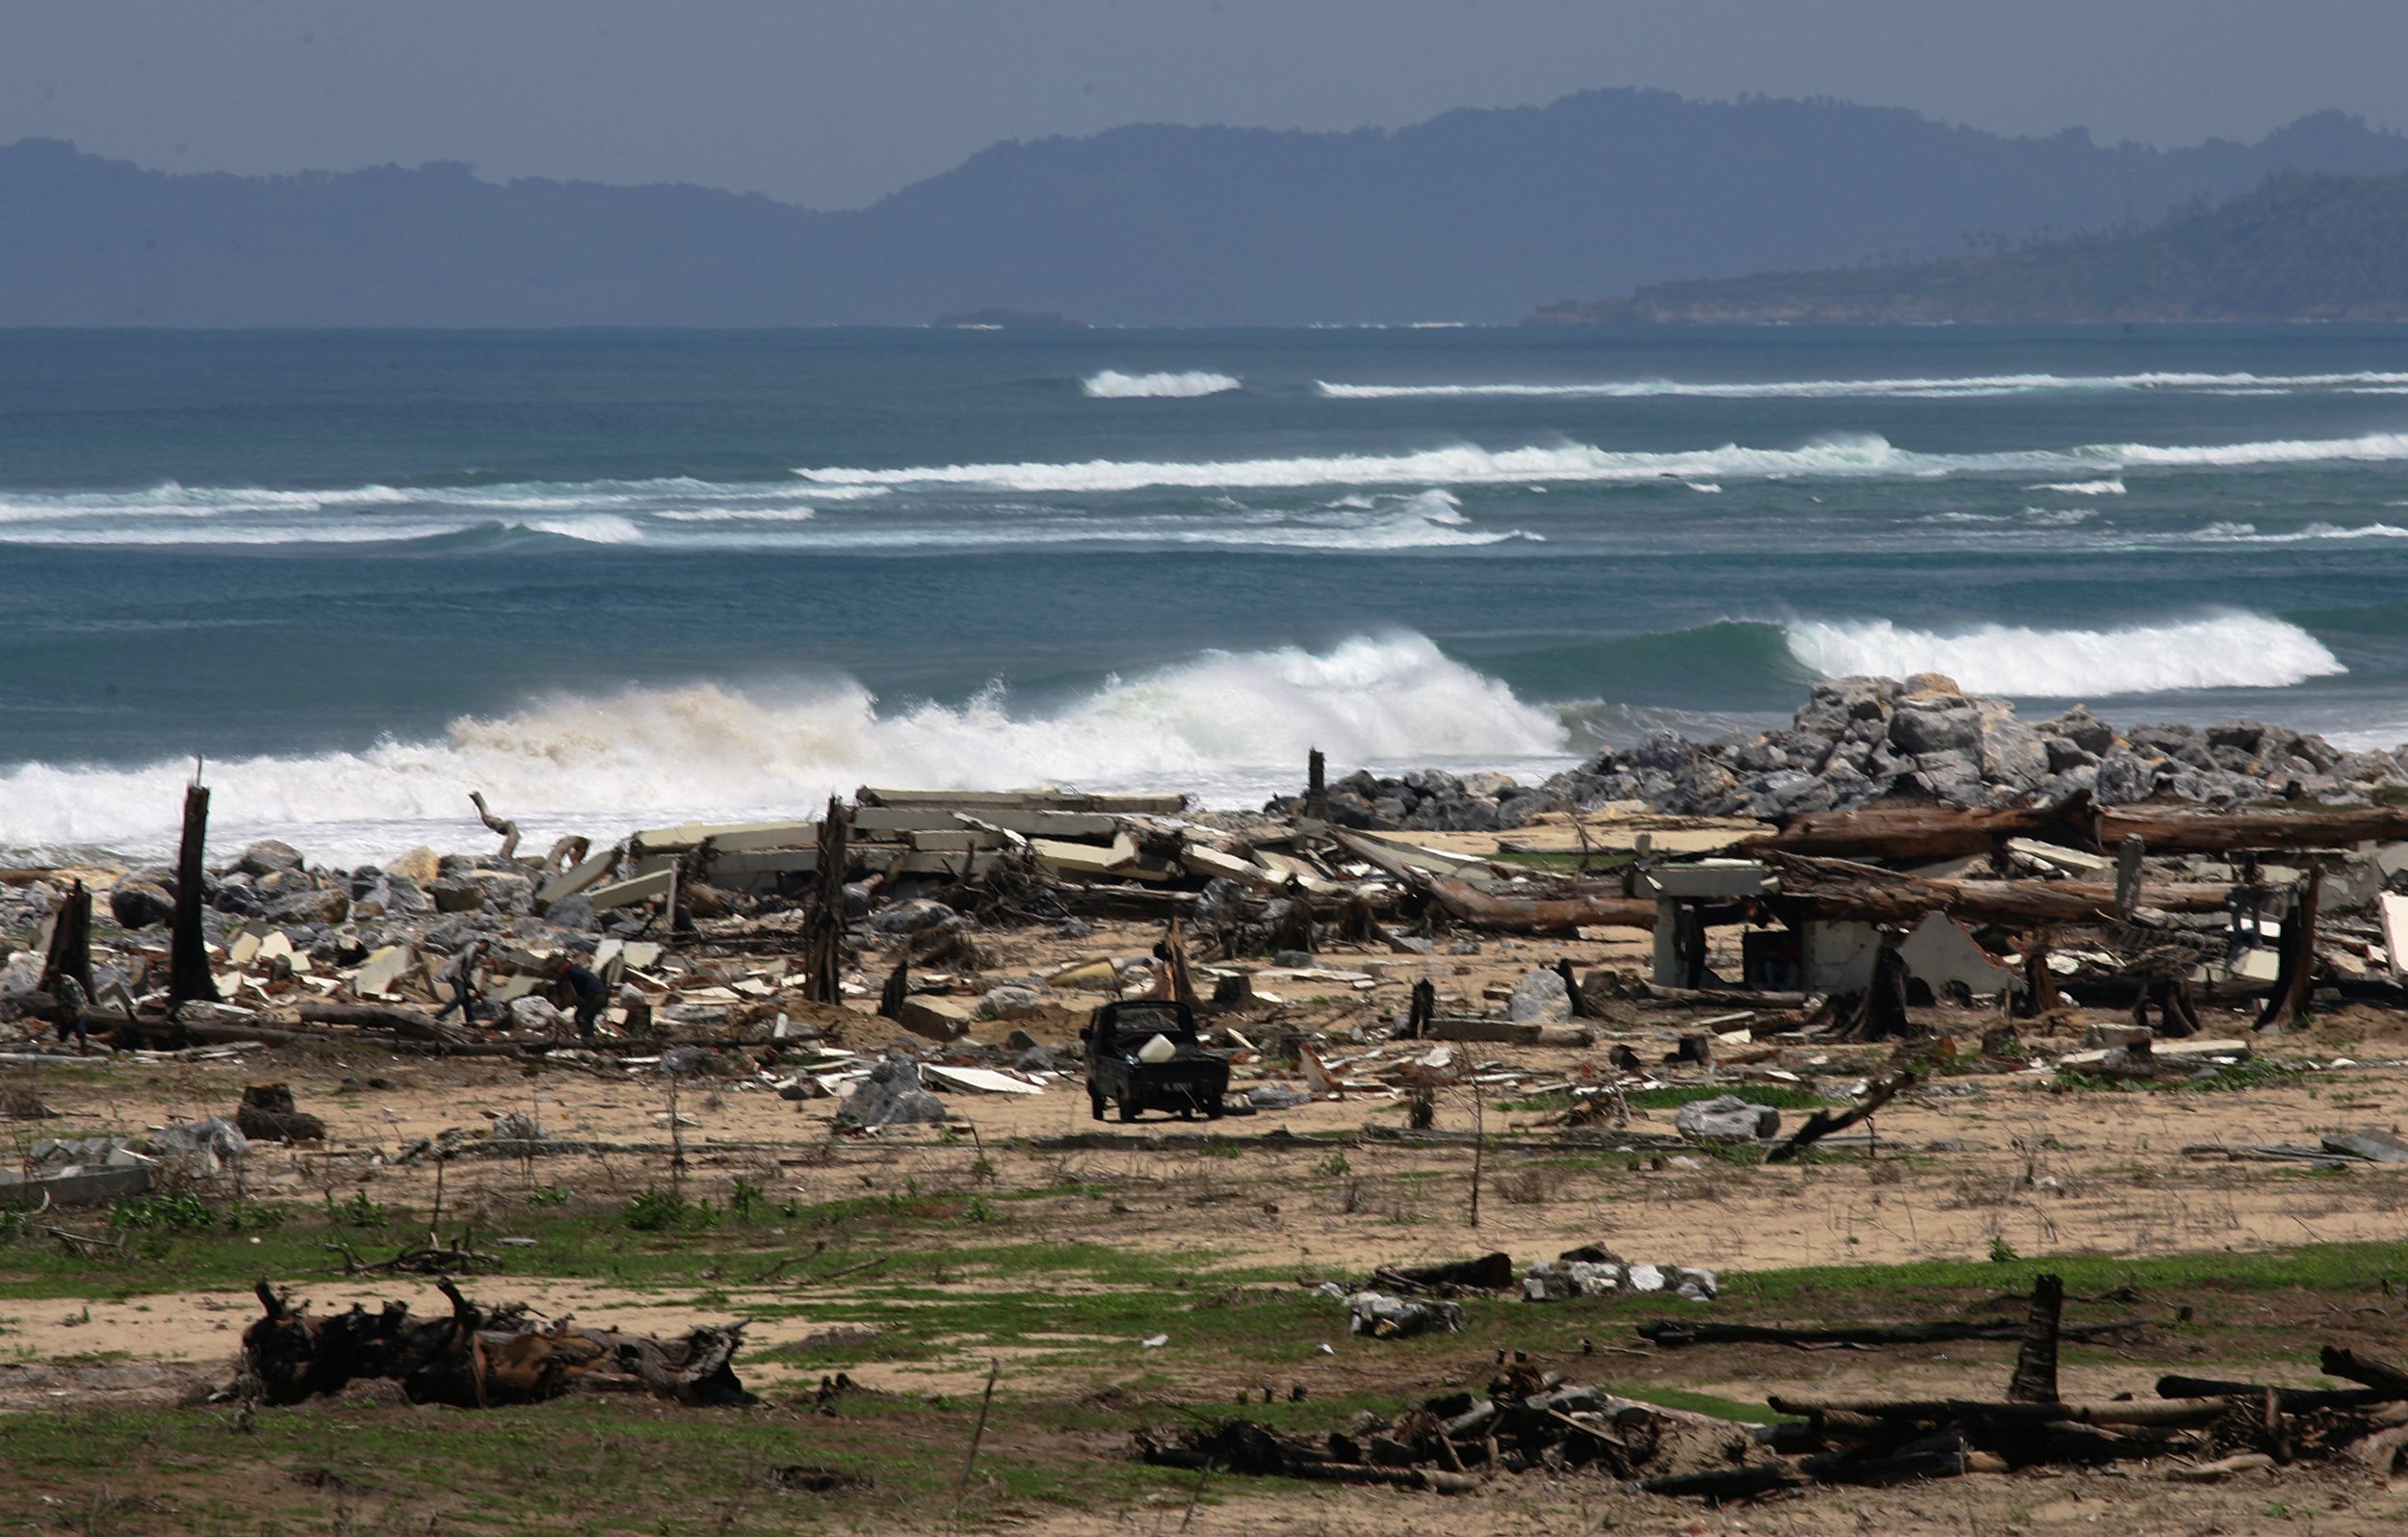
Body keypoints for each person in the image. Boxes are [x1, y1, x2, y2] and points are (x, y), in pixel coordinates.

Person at [432, 937, 488, 1025]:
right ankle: (440, 1015)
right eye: (484, 946)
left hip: (459, 975)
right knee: (461, 997)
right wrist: (468, 977)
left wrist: (480, 964)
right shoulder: (473, 946)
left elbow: (469, 966)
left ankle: (470, 1020)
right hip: (456, 974)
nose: (484, 949)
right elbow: (467, 960)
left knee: (466, 999)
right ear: (481, 944)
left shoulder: (475, 953)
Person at [554, 958, 609, 1038]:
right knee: (589, 1018)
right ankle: (592, 1039)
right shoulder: (578, 969)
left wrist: (580, 999)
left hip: (594, 996)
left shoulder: (572, 972)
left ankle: (588, 1040)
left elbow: (579, 988)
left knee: (580, 1017)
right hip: (602, 995)